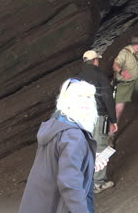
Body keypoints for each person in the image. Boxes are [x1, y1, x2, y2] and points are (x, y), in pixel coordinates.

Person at [19, 79, 106, 213]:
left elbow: (61, 163)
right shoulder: (73, 135)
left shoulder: (57, 124)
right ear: (67, 102)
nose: (85, 101)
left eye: (88, 97)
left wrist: (89, 161)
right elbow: (70, 183)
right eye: (79, 96)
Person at [77, 50, 118, 193]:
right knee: (100, 147)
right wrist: (113, 119)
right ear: (95, 61)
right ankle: (99, 183)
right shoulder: (100, 76)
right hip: (97, 116)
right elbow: (108, 98)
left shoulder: (78, 78)